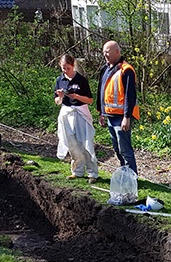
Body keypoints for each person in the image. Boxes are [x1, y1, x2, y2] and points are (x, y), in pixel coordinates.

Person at [54, 54, 98, 183]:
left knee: (85, 143)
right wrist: (61, 96)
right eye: (63, 68)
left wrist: (76, 96)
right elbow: (56, 101)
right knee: (71, 143)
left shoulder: (81, 80)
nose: (65, 71)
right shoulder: (59, 80)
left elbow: (89, 100)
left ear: (73, 66)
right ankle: (77, 171)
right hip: (66, 112)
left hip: (80, 112)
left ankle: (92, 173)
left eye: (68, 68)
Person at [97, 40, 139, 174]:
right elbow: (102, 91)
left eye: (107, 52)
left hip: (121, 117)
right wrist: (101, 112)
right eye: (103, 52)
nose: (105, 55)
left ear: (117, 52)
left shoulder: (126, 70)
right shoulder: (105, 68)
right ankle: (125, 173)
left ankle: (132, 176)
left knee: (125, 149)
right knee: (117, 148)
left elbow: (129, 95)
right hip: (109, 116)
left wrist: (127, 117)